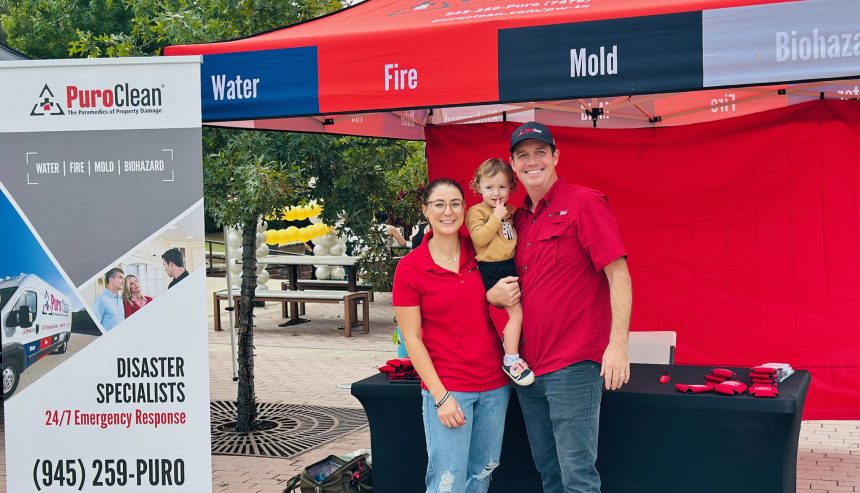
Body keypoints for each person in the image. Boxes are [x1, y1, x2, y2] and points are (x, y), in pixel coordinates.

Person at [488, 122, 632, 493]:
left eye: (540, 152)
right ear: (513, 165)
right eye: (523, 155)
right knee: (549, 474)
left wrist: (617, 346)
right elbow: (494, 277)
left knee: (577, 478)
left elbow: (619, 275)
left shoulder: (585, 203)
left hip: (572, 366)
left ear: (555, 157)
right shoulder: (516, 220)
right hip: (528, 370)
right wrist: (493, 296)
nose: (532, 161)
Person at [393, 178, 510, 493]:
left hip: (495, 386)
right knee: (448, 482)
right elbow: (412, 339)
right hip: (449, 388)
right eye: (439, 204)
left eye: (456, 203)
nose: (448, 211)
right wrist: (440, 396)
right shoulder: (410, 267)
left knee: (482, 475)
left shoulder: (481, 253)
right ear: (425, 211)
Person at [466, 158, 533, 386]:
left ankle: (518, 349)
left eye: (502, 186)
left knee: (529, 309)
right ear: (478, 187)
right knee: (517, 314)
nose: (496, 192)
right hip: (493, 268)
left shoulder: (511, 211)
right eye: (489, 187)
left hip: (512, 264)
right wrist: (496, 216)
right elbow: (480, 238)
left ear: (511, 188)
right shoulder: (477, 212)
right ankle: (510, 358)